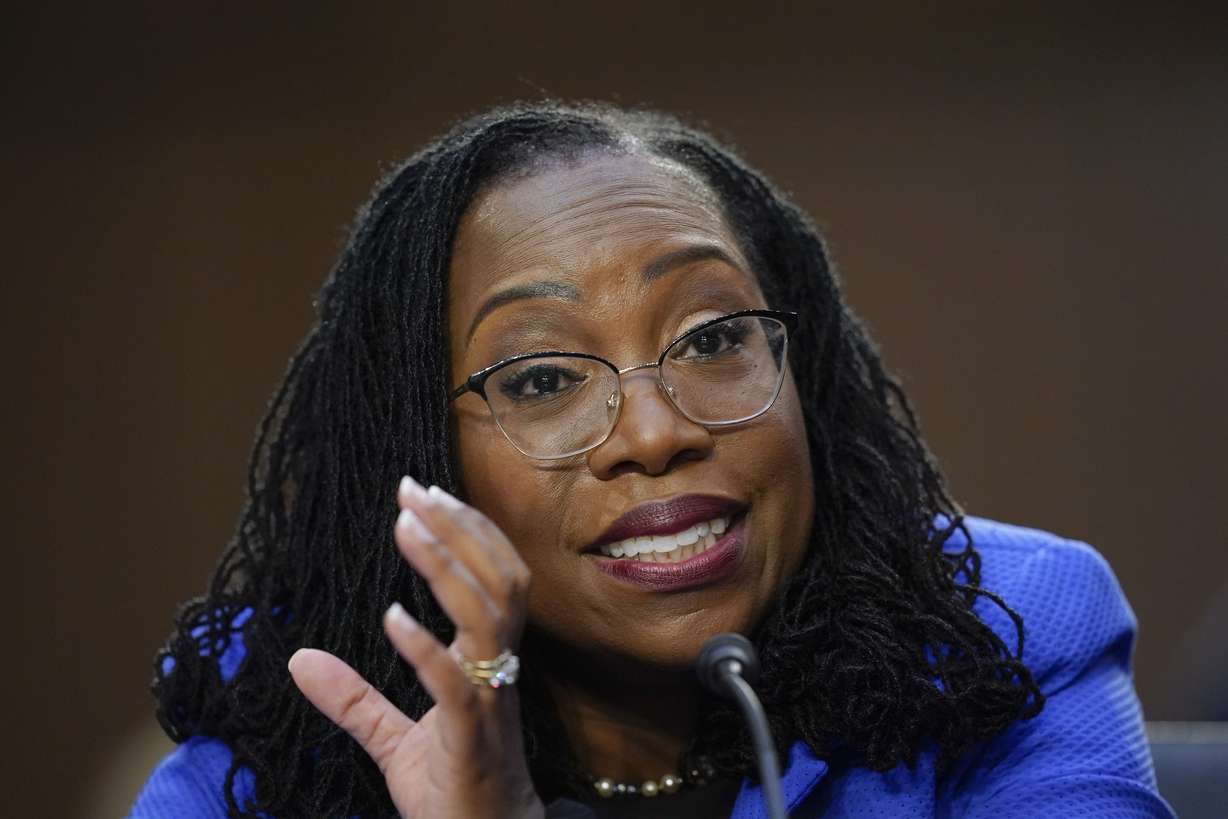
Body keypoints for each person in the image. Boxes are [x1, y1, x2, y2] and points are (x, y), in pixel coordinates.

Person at [130, 102, 1173, 818]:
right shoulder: (294, 725)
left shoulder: (1003, 637)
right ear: (422, 452)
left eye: (713, 338)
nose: (654, 432)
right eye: (542, 377)